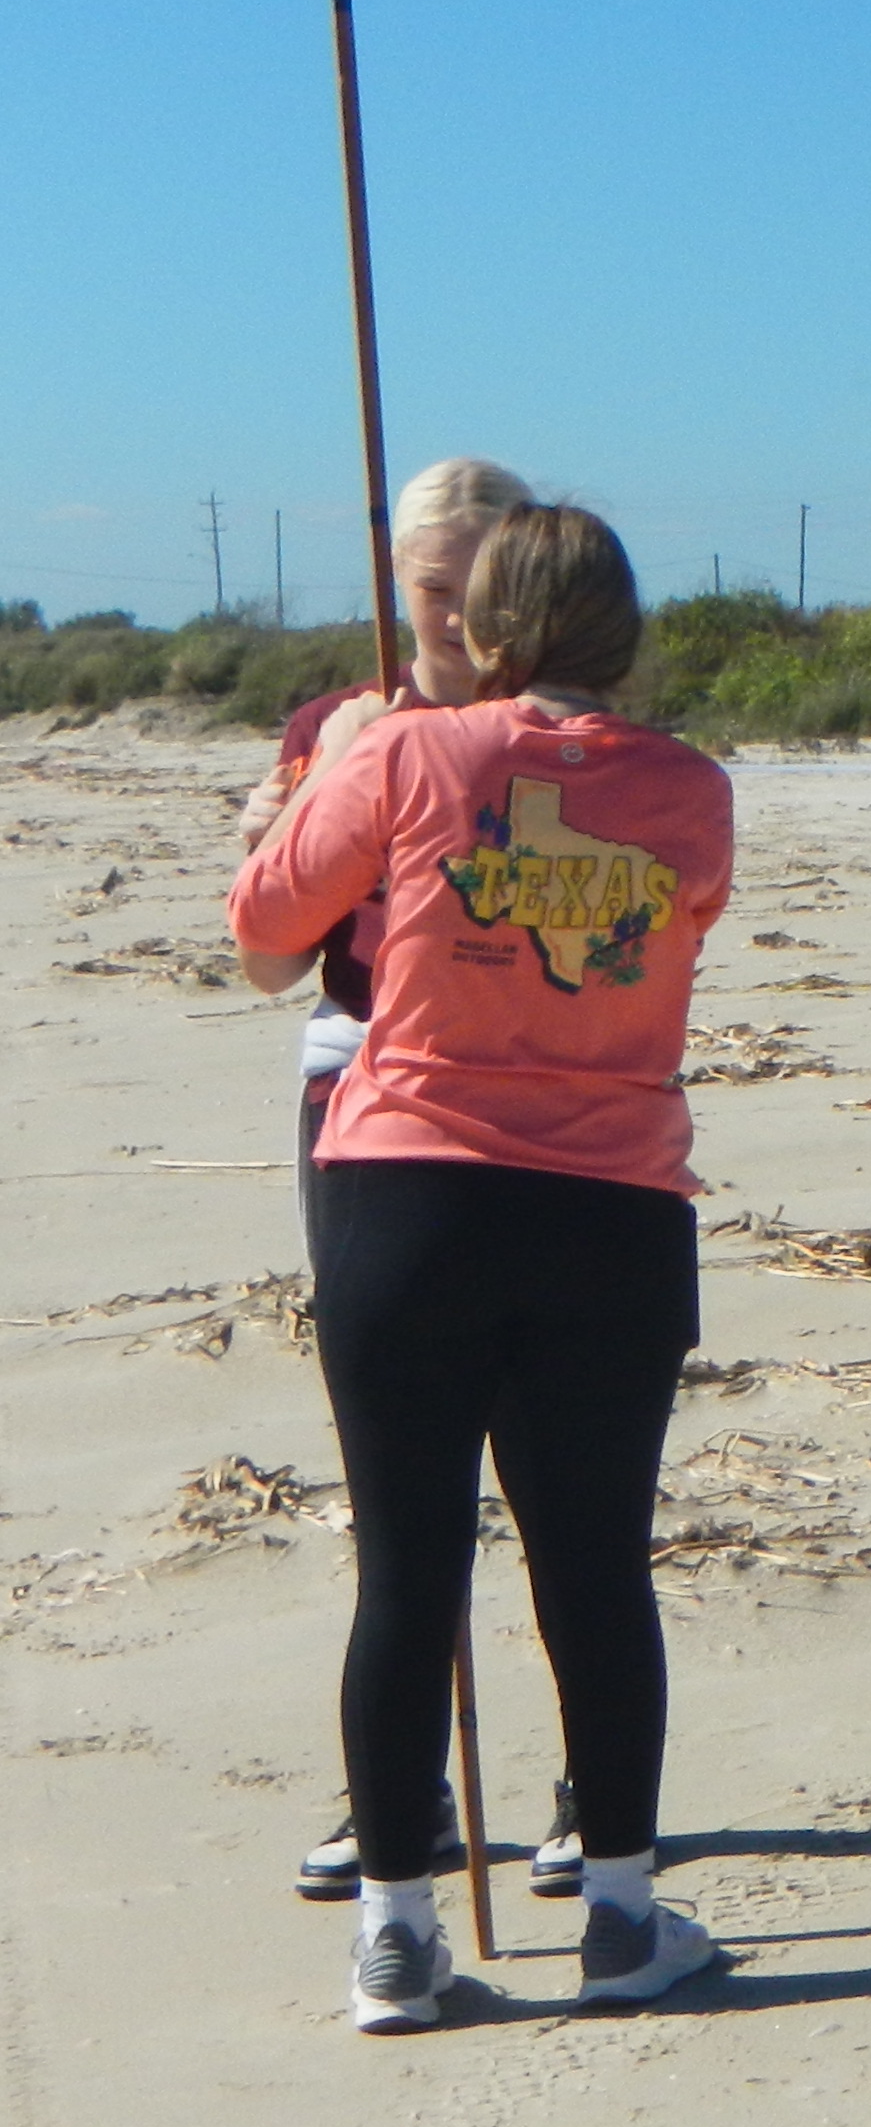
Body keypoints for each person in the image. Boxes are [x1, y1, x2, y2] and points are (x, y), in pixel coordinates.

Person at [231, 502, 736, 2029]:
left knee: (409, 1567)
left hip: (410, 1199)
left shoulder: (402, 755)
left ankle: (395, 1935)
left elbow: (265, 934)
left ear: (486, 629)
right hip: (609, 1209)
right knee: (594, 1566)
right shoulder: (695, 793)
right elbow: (661, 928)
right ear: (624, 633)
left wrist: (306, 793)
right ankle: (624, 1914)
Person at [235, 455, 592, 1909]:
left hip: (538, 1100)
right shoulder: (340, 724)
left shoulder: (572, 734)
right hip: (361, 1090)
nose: (441, 618)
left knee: (561, 1468)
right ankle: (407, 1796)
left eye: (467, 589)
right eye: (419, 588)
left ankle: (588, 1786)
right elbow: (265, 955)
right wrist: (298, 802)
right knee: (403, 1468)